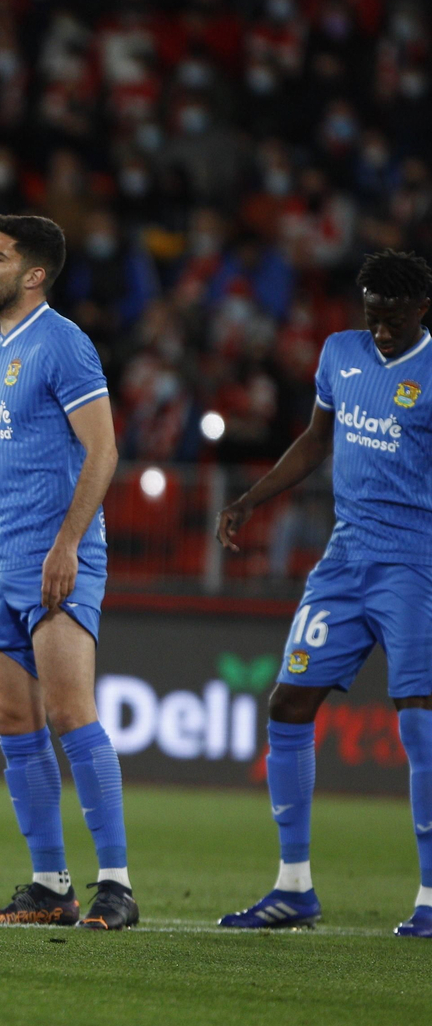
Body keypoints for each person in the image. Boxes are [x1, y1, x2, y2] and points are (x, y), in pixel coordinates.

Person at [216, 250, 432, 938]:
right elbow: (316, 441)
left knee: (420, 721)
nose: (382, 331)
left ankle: (431, 897)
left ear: (421, 310)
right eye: (372, 316)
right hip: (344, 562)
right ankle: (294, 888)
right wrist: (250, 500)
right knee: (286, 701)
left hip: (414, 565)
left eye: (394, 319)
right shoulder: (341, 353)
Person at [0, 215, 138, 931]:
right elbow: (11, 471)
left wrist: (68, 545)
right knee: (13, 718)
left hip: (61, 560)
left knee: (69, 712)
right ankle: (49, 885)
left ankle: (115, 884)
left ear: (33, 275)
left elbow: (104, 451)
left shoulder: (62, 343)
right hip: (2, 563)